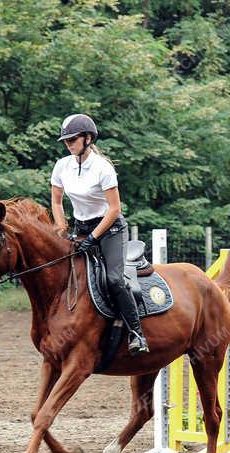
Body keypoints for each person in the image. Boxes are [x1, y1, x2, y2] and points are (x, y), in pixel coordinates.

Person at [50, 113, 148, 355]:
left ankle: (137, 333)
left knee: (114, 279)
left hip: (109, 229)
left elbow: (115, 209)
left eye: (72, 139)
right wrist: (61, 227)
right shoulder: (62, 166)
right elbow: (56, 200)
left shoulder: (103, 168)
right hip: (80, 228)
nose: (68, 144)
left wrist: (94, 237)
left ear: (88, 138)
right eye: (66, 140)